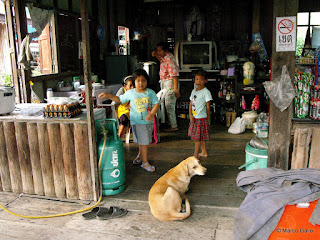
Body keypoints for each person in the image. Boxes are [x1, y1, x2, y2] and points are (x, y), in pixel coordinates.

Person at [98, 69, 160, 172]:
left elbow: (156, 104)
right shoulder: (131, 93)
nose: (141, 83)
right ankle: (143, 160)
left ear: (147, 81)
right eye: (138, 81)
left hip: (147, 122)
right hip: (136, 122)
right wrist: (109, 96)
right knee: (142, 142)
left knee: (144, 142)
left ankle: (142, 159)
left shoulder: (150, 92)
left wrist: (152, 114)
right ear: (134, 82)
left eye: (143, 80)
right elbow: (120, 99)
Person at [152, 42, 180, 132]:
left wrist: (176, 89)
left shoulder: (169, 58)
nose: (158, 52)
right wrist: (156, 55)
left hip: (170, 83)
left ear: (166, 50)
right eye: (158, 50)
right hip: (165, 83)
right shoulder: (165, 57)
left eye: (160, 50)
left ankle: (174, 126)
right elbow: (161, 59)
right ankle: (170, 124)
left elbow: (174, 75)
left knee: (169, 105)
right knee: (165, 104)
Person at [188, 69, 212, 158]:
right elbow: (191, 103)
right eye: (197, 79)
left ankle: (195, 155)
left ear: (206, 80)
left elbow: (208, 107)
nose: (199, 81)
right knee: (200, 137)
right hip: (194, 117)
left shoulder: (206, 92)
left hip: (201, 118)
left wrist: (208, 118)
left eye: (201, 79)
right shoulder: (194, 91)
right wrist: (190, 115)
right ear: (194, 80)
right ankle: (204, 152)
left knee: (197, 138)